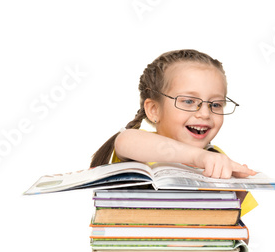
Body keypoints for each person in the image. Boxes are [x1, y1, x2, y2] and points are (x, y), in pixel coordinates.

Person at [90, 49, 256, 179]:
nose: (205, 114)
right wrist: (199, 157)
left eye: (215, 104)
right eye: (189, 101)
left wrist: (235, 192)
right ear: (154, 110)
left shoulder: (217, 156)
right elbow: (124, 140)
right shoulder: (139, 146)